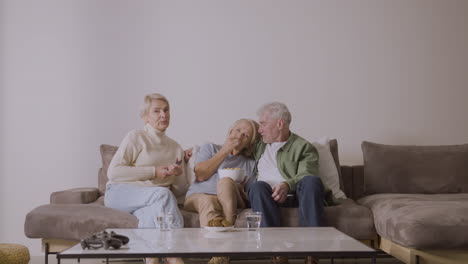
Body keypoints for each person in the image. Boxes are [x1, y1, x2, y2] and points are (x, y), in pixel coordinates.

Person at [104, 93, 189, 264]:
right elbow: (113, 173)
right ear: (145, 117)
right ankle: (174, 255)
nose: (163, 115)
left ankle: (152, 259)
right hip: (120, 193)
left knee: (152, 211)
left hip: (150, 201)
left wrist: (179, 174)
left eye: (166, 110)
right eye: (156, 111)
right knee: (162, 194)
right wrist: (154, 171)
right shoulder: (136, 137)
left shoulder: (176, 147)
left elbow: (180, 191)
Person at [249, 102, 329, 264]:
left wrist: (287, 185)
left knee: (312, 181)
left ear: (280, 124)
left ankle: (312, 255)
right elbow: (236, 144)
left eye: (263, 124)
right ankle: (277, 255)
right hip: (266, 196)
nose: (259, 130)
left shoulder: (303, 147)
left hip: (297, 196)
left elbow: (308, 173)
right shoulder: (259, 145)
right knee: (256, 186)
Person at [184, 119, 259, 264]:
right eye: (238, 130)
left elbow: (251, 197)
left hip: (230, 198)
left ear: (249, 144)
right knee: (208, 200)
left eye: (246, 135)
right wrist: (225, 150)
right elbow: (200, 174)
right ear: (230, 131)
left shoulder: (249, 164)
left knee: (225, 182)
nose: (239, 135)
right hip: (198, 197)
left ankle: (222, 247)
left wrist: (241, 191)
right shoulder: (210, 148)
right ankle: (223, 251)